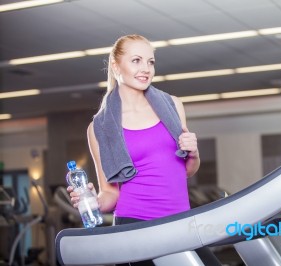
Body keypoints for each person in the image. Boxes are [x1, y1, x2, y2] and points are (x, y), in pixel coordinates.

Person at [67, 34, 221, 266]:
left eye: (150, 62)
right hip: (134, 226)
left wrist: (194, 153)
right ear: (115, 65)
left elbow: (185, 170)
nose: (146, 69)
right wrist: (90, 202)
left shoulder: (172, 105)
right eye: (136, 60)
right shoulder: (99, 127)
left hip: (181, 222)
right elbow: (111, 195)